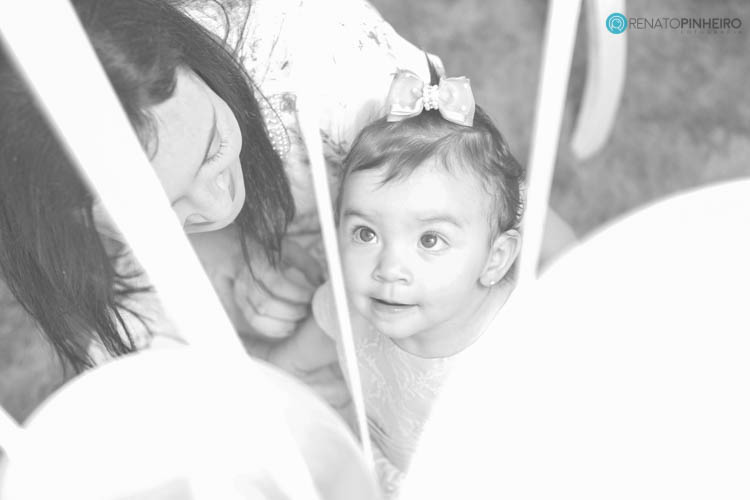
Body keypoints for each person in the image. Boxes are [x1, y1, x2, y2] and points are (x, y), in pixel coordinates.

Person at [264, 66, 525, 496]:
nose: (388, 267)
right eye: (366, 234)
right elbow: (289, 366)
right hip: (379, 464)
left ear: (494, 260)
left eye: (429, 239)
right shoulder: (350, 306)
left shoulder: (514, 352)